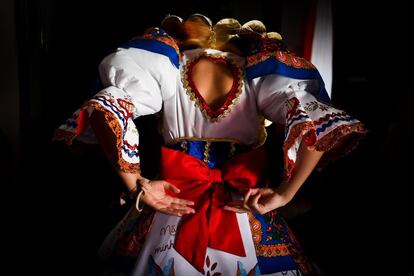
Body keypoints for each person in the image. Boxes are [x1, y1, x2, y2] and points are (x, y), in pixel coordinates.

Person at [54, 14, 366, 275]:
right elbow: (316, 123)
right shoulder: (259, 71)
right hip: (243, 205)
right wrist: (285, 193)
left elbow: (104, 109)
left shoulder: (166, 66)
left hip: (173, 204)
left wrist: (138, 185)